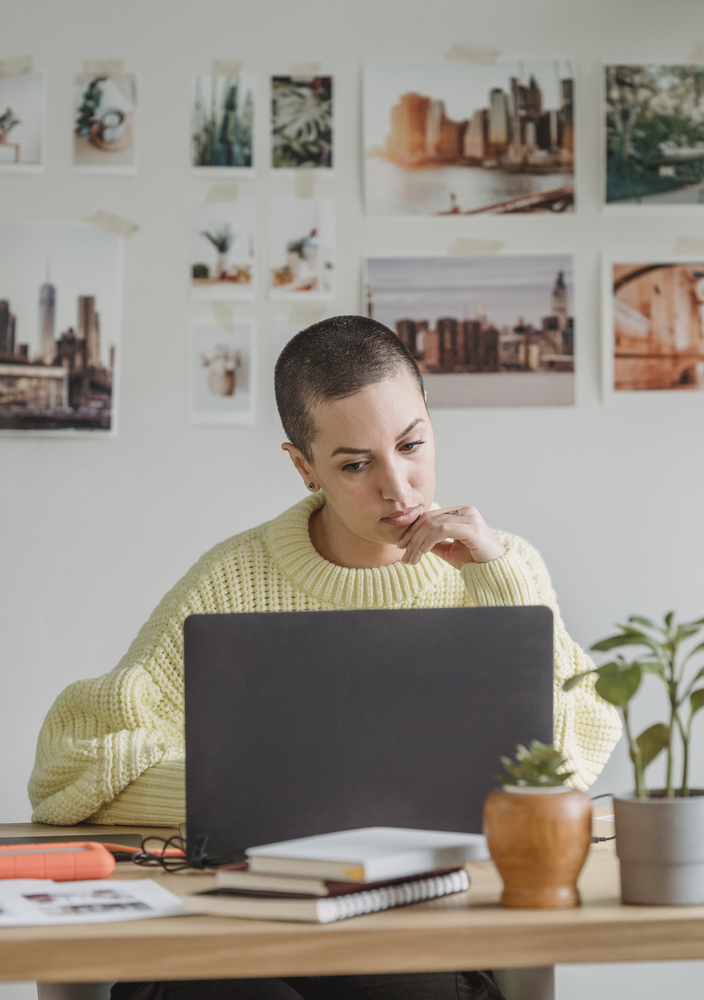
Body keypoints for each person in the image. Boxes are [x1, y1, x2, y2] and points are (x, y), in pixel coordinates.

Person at [29, 316, 620, 1000]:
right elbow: (69, 764)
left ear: (432, 422)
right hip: (244, 934)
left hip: (423, 933)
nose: (399, 489)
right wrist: (236, 805)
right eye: (354, 463)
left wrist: (499, 581)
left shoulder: (500, 568)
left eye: (412, 445)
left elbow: (569, 758)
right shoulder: (232, 579)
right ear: (303, 466)